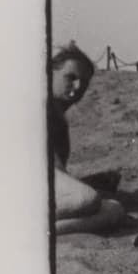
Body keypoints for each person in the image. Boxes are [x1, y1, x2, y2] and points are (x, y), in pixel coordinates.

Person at [47, 43, 128, 235]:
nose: (77, 87)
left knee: (114, 208)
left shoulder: (57, 113)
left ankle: (49, 229)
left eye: (83, 82)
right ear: (51, 72)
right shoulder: (40, 107)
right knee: (88, 200)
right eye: (70, 78)